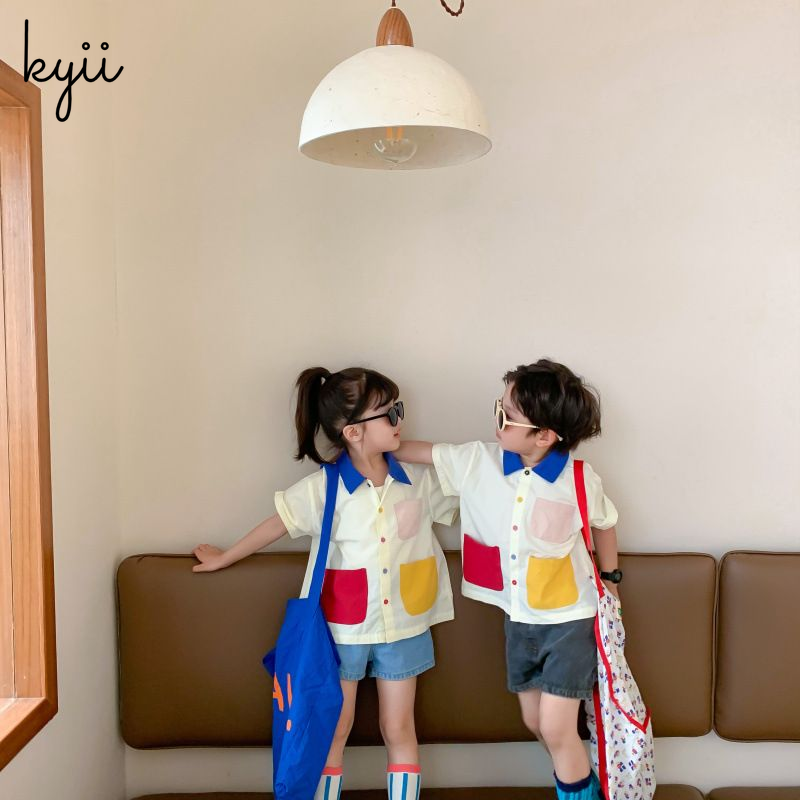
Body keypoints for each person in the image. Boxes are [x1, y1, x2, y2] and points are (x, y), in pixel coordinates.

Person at [193, 366, 458, 800]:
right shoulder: (323, 488)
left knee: (399, 728)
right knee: (334, 729)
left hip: (406, 623)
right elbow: (276, 524)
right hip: (342, 630)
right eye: (390, 414)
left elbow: (473, 490)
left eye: (399, 410)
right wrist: (225, 557)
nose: (400, 421)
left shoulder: (418, 481)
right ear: (353, 432)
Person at [395, 359, 621, 800]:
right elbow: (425, 453)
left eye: (506, 416)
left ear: (544, 436)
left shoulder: (578, 479)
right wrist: (372, 441)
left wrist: (611, 580)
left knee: (555, 727)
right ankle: (585, 787)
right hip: (518, 619)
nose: (496, 419)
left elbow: (605, 523)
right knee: (535, 721)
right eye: (498, 408)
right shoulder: (477, 461)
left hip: (570, 620)